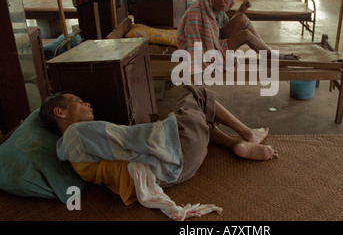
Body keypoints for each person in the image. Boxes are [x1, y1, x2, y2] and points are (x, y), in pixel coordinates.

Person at [40, 87, 278, 220]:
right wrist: (167, 125)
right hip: (176, 150)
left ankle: (234, 145)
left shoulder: (74, 154)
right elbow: (134, 138)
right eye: (78, 101)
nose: (87, 103)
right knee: (195, 94)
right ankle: (248, 134)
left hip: (174, 174)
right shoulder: (75, 135)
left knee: (195, 121)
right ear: (60, 113)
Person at [177, 0, 298, 71]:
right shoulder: (198, 12)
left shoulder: (217, 9)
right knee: (246, 35)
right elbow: (196, 47)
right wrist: (223, 59)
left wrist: (240, 10)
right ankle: (272, 56)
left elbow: (224, 28)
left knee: (241, 17)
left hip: (215, 40)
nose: (223, 1)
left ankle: (267, 51)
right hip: (207, 49)